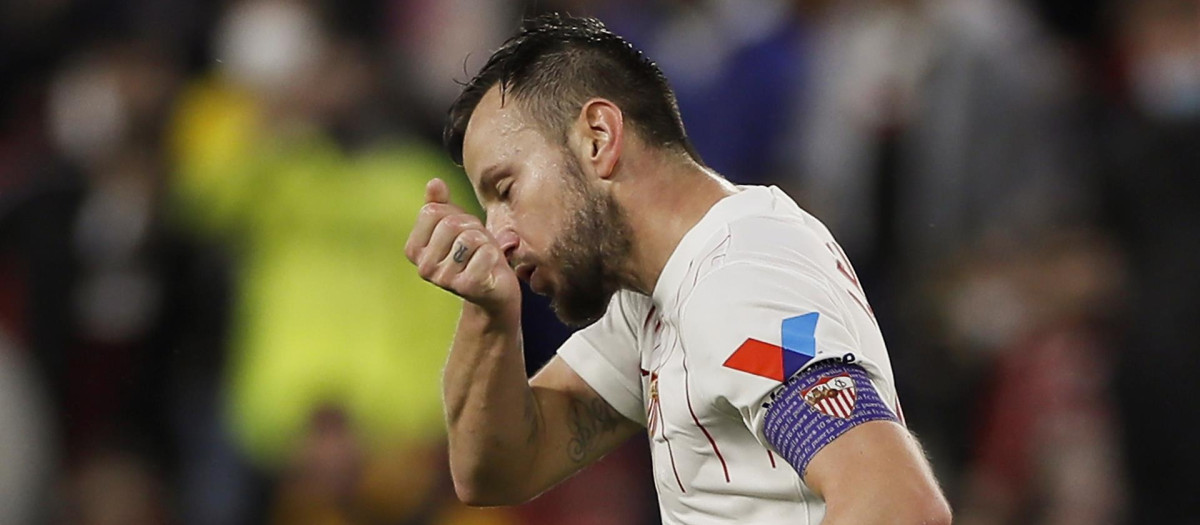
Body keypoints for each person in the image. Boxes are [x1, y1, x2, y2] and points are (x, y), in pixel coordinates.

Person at [405, 13, 950, 524]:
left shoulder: (738, 279)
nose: (498, 236)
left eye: (506, 189)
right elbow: (498, 469)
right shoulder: (661, 289)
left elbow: (897, 503)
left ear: (598, 137)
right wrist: (489, 311)